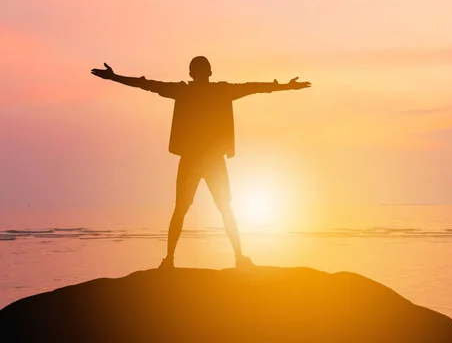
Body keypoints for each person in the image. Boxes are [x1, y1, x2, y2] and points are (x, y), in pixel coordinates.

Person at [91, 56, 311, 268]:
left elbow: (146, 84)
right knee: (224, 209)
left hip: (193, 159)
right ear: (209, 73)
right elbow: (252, 87)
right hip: (212, 160)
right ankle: (238, 257)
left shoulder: (184, 90)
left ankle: (170, 260)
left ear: (191, 73)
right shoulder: (221, 90)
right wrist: (286, 86)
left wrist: (114, 77)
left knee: (182, 210)